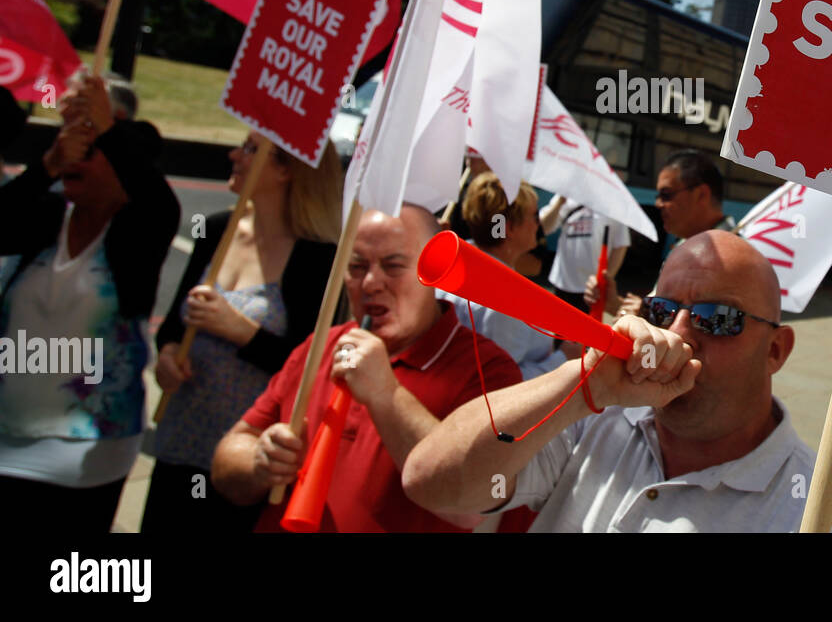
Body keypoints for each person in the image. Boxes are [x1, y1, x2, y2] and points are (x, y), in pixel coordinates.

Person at [403, 230, 832, 532]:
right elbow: (431, 482)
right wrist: (586, 385)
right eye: (661, 312)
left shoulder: (817, 514)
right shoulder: (594, 420)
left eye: (718, 319)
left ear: (775, 351)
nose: (678, 333)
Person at [211, 203, 525, 532]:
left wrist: (386, 395)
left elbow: (473, 504)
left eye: (393, 265)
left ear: (435, 273)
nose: (371, 283)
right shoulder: (320, 345)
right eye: (357, 266)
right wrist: (259, 461)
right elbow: (226, 462)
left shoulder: (486, 369)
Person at [0, 73, 179, 532]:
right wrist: (48, 164)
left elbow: (159, 202)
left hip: (87, 454)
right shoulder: (44, 215)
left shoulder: (137, 232)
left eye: (92, 146)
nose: (79, 153)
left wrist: (107, 128)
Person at [141, 134, 343, 533]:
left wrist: (241, 331)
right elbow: (175, 326)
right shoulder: (218, 230)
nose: (235, 155)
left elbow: (309, 370)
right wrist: (166, 356)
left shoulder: (317, 257)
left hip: (248, 468)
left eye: (252, 150)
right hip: (179, 444)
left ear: (288, 169)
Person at [587, 149, 734, 318]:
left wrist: (647, 313)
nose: (658, 204)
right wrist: (613, 303)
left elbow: (708, 330)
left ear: (701, 194)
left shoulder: (735, 258)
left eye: (666, 195)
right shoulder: (683, 246)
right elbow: (655, 316)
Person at [449, 174, 565, 380]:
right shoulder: (504, 297)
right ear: (509, 228)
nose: (538, 225)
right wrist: (562, 359)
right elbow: (501, 381)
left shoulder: (457, 262)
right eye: (534, 216)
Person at [542, 194, 629, 315]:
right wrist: (560, 202)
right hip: (562, 281)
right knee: (559, 331)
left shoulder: (613, 202)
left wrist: (605, 279)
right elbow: (543, 228)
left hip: (592, 290)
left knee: (582, 333)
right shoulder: (566, 194)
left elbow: (620, 244)